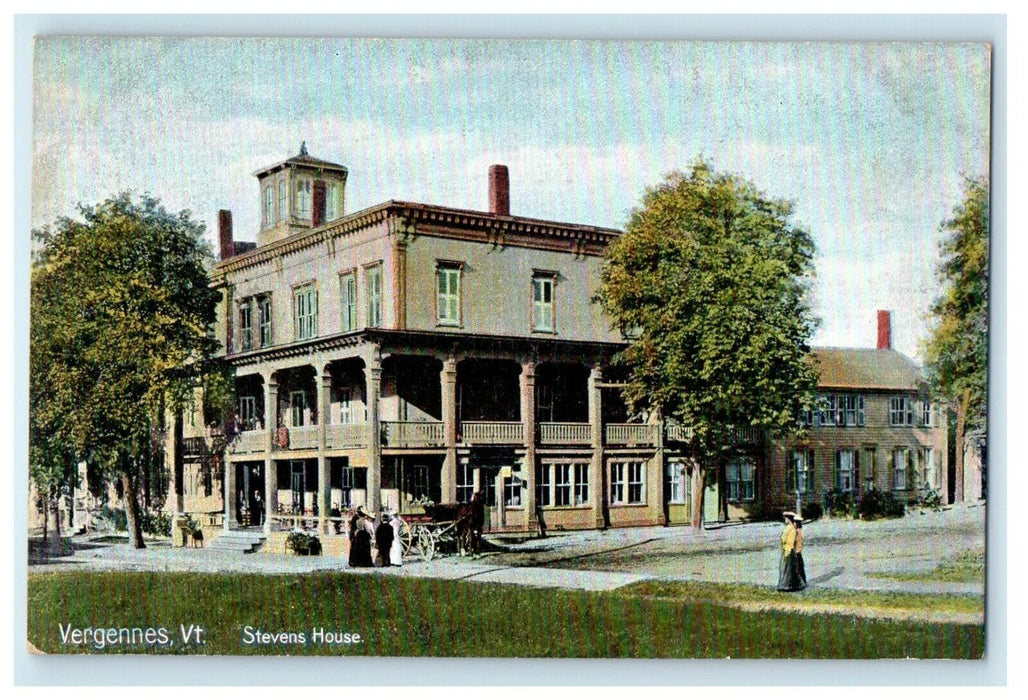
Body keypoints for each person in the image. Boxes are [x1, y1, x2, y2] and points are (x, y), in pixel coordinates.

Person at [776, 511, 805, 591]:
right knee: (786, 569)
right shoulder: (788, 527)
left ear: (789, 519)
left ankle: (788, 586)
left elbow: (791, 541)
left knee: (788, 569)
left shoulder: (792, 529)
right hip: (785, 550)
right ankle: (787, 585)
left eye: (786, 518)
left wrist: (788, 551)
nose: (785, 519)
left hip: (789, 551)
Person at [792, 517, 808, 588]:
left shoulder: (797, 532)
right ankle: (803, 582)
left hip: (796, 552)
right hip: (799, 552)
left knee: (798, 568)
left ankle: (800, 583)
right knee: (801, 568)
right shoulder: (800, 531)